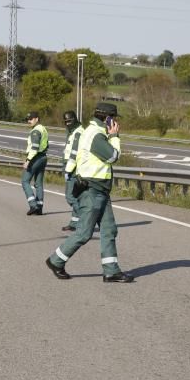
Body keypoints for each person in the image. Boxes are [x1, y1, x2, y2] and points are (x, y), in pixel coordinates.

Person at [45, 102, 134, 283]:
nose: (116, 122)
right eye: (114, 118)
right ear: (107, 119)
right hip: (92, 190)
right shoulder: (96, 135)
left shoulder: (93, 132)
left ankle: (111, 271)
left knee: (109, 230)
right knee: (84, 233)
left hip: (100, 190)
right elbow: (113, 156)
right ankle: (56, 260)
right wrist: (115, 136)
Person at [21, 111, 49, 215]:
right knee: (38, 183)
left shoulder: (35, 131)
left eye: (31, 119)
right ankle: (40, 207)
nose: (29, 121)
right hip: (43, 157)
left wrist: (28, 160)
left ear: (37, 119)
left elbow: (35, 147)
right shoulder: (43, 129)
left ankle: (33, 204)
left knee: (25, 181)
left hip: (35, 158)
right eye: (28, 119)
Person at [61, 110, 84, 232]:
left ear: (75, 119)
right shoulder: (72, 131)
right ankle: (74, 223)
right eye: (65, 121)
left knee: (70, 197)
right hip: (70, 166)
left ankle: (85, 220)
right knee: (75, 196)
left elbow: (74, 154)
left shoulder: (78, 133)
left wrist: (68, 170)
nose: (67, 123)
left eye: (69, 120)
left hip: (73, 168)